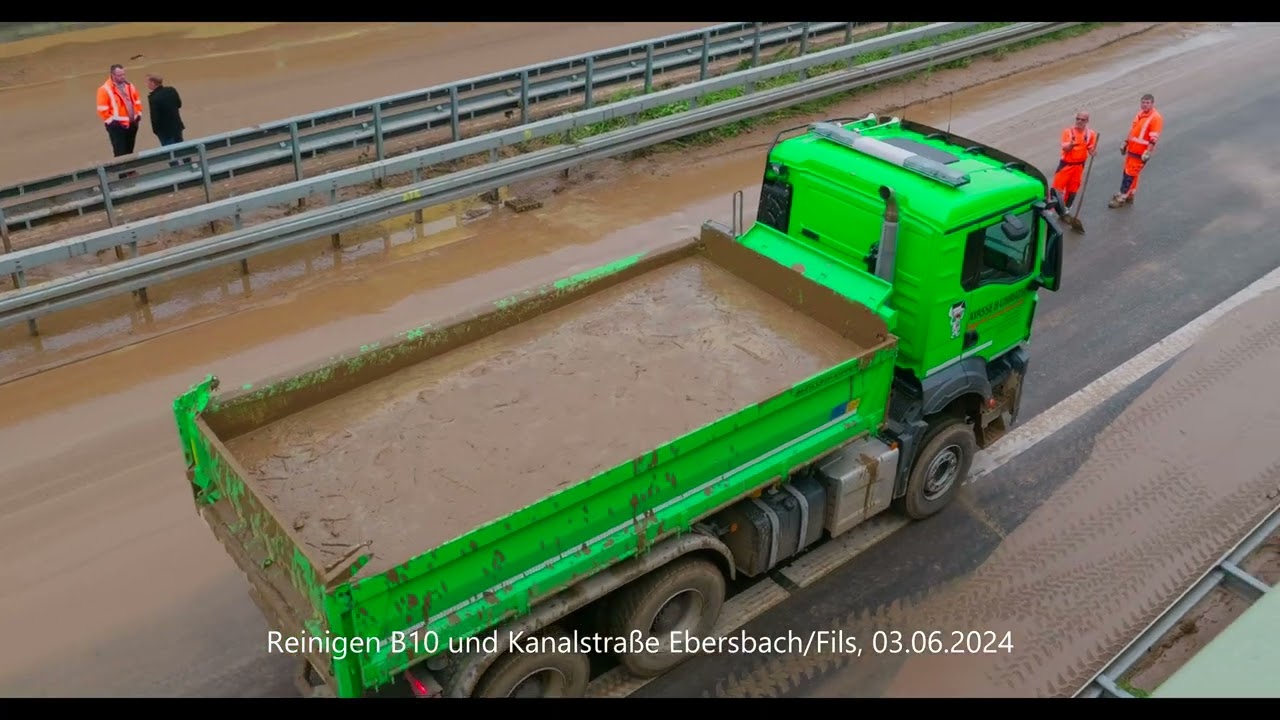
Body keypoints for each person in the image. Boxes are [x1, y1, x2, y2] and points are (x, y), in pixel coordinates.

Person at [1108, 93, 1164, 208]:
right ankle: (1130, 194)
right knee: (1131, 173)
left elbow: (1154, 138)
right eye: (1143, 102)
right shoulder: (1140, 114)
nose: (1145, 105)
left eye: (1147, 103)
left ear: (1152, 104)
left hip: (1141, 152)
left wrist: (1147, 152)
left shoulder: (1156, 118)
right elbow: (1133, 130)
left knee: (1129, 174)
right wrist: (1125, 143)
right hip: (1132, 149)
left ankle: (1122, 197)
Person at [1052, 110, 1097, 210]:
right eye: (1078, 119)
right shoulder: (1068, 132)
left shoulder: (1090, 134)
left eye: (1082, 119)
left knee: (1073, 189)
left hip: (1079, 167)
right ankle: (1051, 211)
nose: (1079, 121)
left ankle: (1067, 209)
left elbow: (1090, 148)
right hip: (1066, 165)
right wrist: (1071, 145)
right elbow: (1065, 148)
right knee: (1056, 189)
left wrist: (1093, 152)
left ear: (1087, 121)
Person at [96, 64, 143, 159]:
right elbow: (102, 109)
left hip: (132, 123)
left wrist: (138, 114)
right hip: (117, 126)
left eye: (123, 74)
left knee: (130, 149)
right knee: (120, 150)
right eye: (120, 75)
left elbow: (137, 100)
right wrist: (112, 122)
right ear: (113, 75)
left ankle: (130, 170)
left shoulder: (129, 86)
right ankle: (123, 172)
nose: (123, 77)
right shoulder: (104, 89)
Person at [145, 73, 187, 165]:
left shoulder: (153, 98)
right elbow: (179, 104)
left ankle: (176, 171)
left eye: (147, 82)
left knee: (169, 153)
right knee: (182, 148)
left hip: (164, 130)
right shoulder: (171, 90)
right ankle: (189, 165)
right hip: (177, 125)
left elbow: (155, 117)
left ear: (153, 83)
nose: (146, 84)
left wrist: (155, 130)